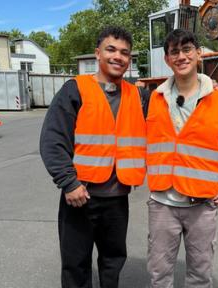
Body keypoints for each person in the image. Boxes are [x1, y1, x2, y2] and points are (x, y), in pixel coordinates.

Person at [39, 26, 147, 288]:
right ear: (97, 53)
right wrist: (69, 182)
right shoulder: (75, 89)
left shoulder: (137, 94)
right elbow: (52, 140)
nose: (118, 57)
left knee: (113, 261)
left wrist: (205, 85)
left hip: (117, 199)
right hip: (80, 198)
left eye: (124, 53)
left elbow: (173, 102)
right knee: (76, 264)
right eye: (111, 49)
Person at [146, 29, 218, 288]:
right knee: (159, 275)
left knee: (200, 276)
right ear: (167, 60)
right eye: (174, 52)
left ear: (199, 54)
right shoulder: (153, 99)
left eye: (187, 49)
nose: (181, 56)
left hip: (201, 204)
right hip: (162, 202)